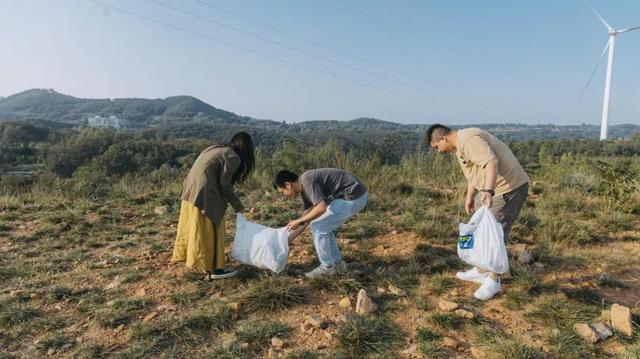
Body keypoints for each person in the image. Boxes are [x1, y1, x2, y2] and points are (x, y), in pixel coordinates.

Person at [426, 124, 529, 300]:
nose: (438, 151)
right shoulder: (459, 147)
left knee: (495, 234)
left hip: (507, 188)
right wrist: (469, 197)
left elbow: (491, 162)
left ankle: (493, 280)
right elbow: (474, 173)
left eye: (437, 147)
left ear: (443, 139)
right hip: (491, 189)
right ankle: (481, 270)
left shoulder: (468, 140)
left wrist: (488, 191)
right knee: (480, 231)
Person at [172, 132, 255, 280]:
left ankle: (207, 265)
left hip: (191, 191)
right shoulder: (233, 157)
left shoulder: (216, 148)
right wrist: (239, 206)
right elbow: (225, 185)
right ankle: (215, 270)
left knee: (197, 229)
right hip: (205, 193)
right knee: (212, 229)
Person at [273, 168, 368, 278]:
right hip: (353, 196)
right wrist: (285, 241)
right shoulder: (305, 190)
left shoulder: (307, 181)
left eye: (282, 192)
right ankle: (337, 265)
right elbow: (305, 220)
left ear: (287, 185)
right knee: (323, 226)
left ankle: (327, 267)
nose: (284, 195)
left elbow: (321, 208)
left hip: (353, 196)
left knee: (319, 225)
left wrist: (299, 221)